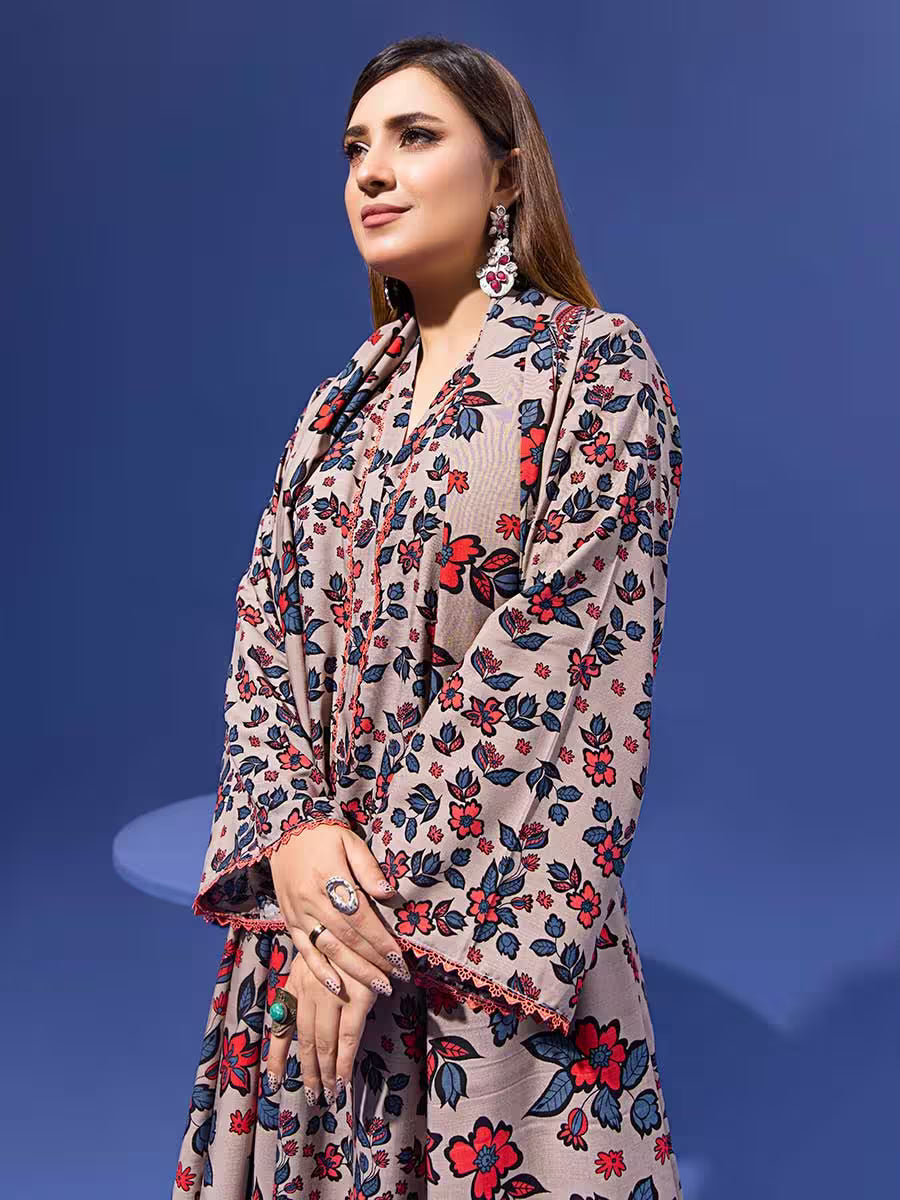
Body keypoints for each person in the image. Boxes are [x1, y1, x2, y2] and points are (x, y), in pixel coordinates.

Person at [172, 34, 686, 1200]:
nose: (373, 171)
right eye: (356, 146)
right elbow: (266, 644)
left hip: (480, 948)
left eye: (414, 137)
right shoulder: (332, 412)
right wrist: (298, 850)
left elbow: (566, 658)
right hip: (305, 945)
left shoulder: (596, 372)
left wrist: (355, 920)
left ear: (507, 176)